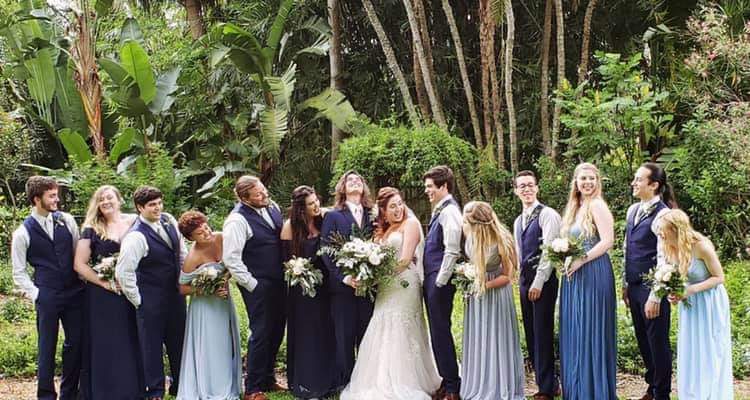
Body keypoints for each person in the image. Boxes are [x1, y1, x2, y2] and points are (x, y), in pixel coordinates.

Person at [340, 187, 441, 400]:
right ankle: (381, 378)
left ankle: (407, 380)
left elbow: (405, 260)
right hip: (385, 288)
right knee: (382, 325)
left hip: (405, 284)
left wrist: (375, 277)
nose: (398, 209)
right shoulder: (383, 231)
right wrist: (367, 273)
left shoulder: (410, 224)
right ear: (383, 212)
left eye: (400, 204)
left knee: (401, 327)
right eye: (392, 206)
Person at [11, 176, 84, 400]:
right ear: (37, 199)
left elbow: (77, 254)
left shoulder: (67, 221)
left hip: (74, 292)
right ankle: (45, 395)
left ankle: (69, 394)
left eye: (56, 195)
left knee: (76, 343)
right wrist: (37, 294)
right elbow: (18, 272)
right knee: (47, 346)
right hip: (47, 294)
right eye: (51, 196)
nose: (57, 200)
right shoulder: (22, 233)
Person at [116, 186, 187, 400]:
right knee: (152, 346)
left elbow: (181, 253)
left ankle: (180, 385)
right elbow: (124, 272)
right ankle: (155, 390)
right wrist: (139, 301)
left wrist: (185, 282)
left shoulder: (168, 220)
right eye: (152, 205)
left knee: (178, 342)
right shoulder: (136, 237)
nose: (158, 208)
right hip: (150, 299)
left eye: (159, 203)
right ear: (140, 208)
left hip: (175, 296)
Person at [73, 185, 142, 399]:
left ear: (119, 200)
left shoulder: (135, 222)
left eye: (109, 197)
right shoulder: (91, 228)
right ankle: (106, 392)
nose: (105, 202)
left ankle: (134, 390)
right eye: (101, 199)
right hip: (103, 297)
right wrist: (103, 283)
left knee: (132, 337)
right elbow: (79, 264)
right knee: (107, 341)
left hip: (133, 290)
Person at [222, 176, 286, 400]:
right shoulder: (237, 220)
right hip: (258, 284)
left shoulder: (273, 206)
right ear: (244, 198)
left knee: (277, 329)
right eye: (258, 194)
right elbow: (231, 258)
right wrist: (252, 284)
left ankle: (268, 378)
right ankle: (252, 388)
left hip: (279, 281)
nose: (264, 194)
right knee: (260, 332)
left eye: (263, 190)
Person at [558, 163, 617, 400]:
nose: (588, 182)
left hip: (593, 271)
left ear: (597, 181)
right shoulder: (576, 206)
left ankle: (593, 390)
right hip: (575, 274)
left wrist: (581, 260)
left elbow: (608, 241)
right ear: (576, 182)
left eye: (592, 178)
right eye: (583, 178)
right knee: (576, 328)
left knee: (590, 327)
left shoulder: (597, 205)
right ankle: (577, 387)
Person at [660, 209, 733, 400]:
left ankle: (712, 394)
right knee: (691, 349)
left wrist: (691, 290)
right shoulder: (670, 247)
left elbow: (719, 277)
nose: (661, 234)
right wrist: (673, 293)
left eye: (663, 230)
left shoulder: (702, 247)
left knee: (709, 348)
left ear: (675, 230)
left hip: (710, 302)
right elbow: (677, 278)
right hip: (689, 304)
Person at [460, 201, 525, 400]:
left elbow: (508, 276)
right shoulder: (470, 234)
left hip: (496, 296)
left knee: (496, 336)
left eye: (468, 221)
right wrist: (466, 273)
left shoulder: (502, 241)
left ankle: (499, 384)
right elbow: (472, 261)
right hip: (476, 294)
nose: (464, 224)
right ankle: (480, 382)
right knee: (479, 336)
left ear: (479, 224)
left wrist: (484, 285)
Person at [623, 163, 676, 400]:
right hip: (634, 285)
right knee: (643, 340)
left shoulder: (664, 215)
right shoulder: (632, 210)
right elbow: (627, 248)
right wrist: (625, 283)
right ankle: (651, 387)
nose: (633, 183)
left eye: (638, 180)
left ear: (654, 185)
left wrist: (656, 296)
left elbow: (666, 259)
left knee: (657, 341)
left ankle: (662, 393)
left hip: (652, 287)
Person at [176, 211, 241, 400]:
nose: (206, 232)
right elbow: (182, 288)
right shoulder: (193, 258)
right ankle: (213, 387)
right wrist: (209, 290)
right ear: (190, 238)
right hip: (205, 308)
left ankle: (229, 381)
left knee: (226, 342)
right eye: (199, 232)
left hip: (223, 302)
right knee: (212, 346)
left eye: (205, 227)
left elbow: (231, 264)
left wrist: (224, 279)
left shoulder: (221, 238)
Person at [320, 171, 375, 389]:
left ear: (363, 187)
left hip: (369, 286)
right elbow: (326, 250)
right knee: (344, 336)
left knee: (367, 334)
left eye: (358, 180)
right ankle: (346, 381)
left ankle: (365, 380)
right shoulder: (333, 216)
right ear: (342, 188)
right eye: (349, 180)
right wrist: (344, 277)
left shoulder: (373, 214)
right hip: (342, 287)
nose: (354, 182)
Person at [281, 186, 336, 399]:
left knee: (326, 329)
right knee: (307, 333)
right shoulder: (290, 227)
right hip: (302, 290)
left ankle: (329, 378)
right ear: (301, 208)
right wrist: (299, 272)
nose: (316, 205)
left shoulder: (324, 219)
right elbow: (286, 261)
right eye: (311, 204)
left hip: (325, 286)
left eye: (316, 201)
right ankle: (308, 380)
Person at [511, 171, 561, 400]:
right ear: (516, 191)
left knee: (542, 333)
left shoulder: (548, 215)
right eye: (522, 186)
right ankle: (546, 383)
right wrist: (520, 279)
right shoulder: (518, 221)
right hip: (525, 281)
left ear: (537, 188)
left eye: (530, 185)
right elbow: (519, 252)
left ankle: (547, 387)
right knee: (531, 333)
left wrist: (539, 282)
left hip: (543, 282)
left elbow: (549, 252)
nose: (527, 189)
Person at [422, 165, 462, 400]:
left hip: (440, 282)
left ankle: (453, 387)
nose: (427, 190)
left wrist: (439, 282)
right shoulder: (441, 210)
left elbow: (452, 250)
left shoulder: (450, 212)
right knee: (437, 333)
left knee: (441, 332)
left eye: (430, 186)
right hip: (433, 279)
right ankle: (447, 383)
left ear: (443, 186)